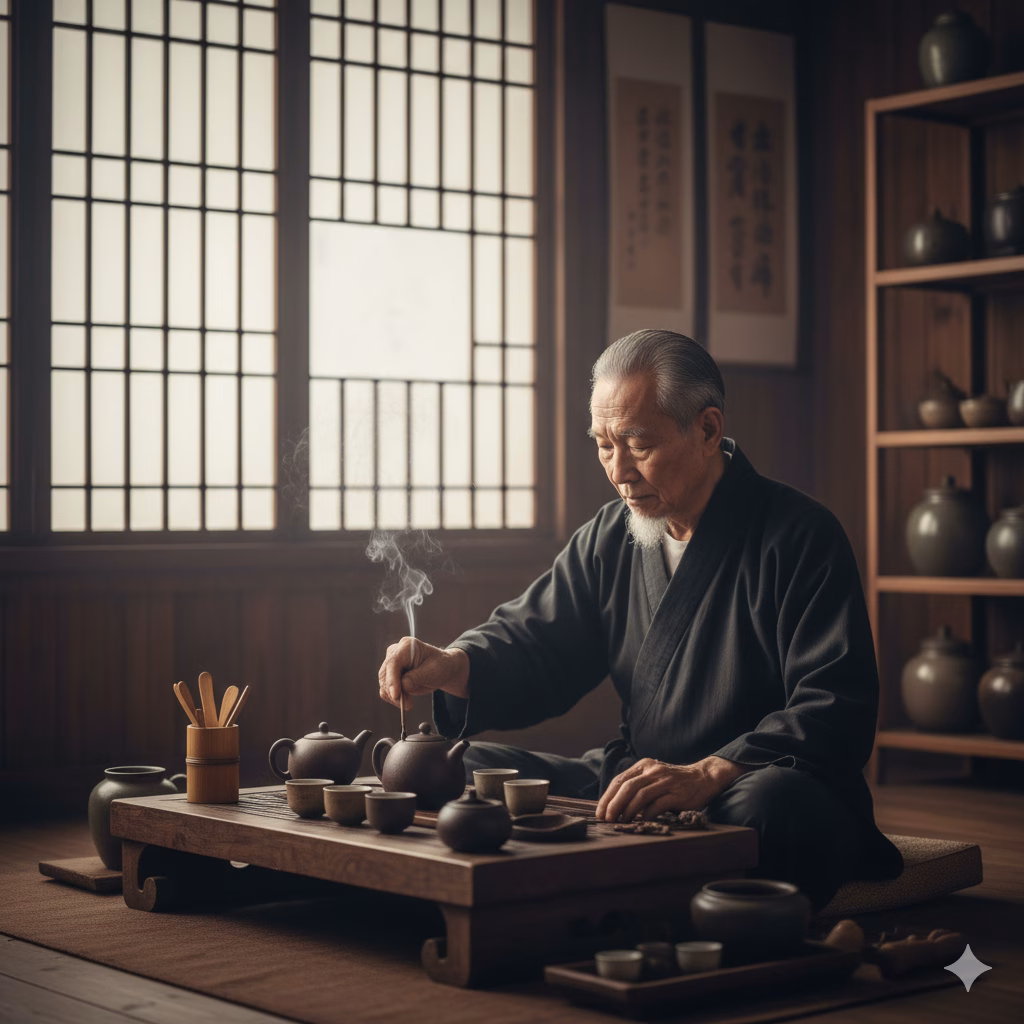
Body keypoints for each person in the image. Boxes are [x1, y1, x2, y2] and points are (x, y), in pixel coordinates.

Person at [377, 329, 903, 910]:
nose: (618, 471)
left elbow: (835, 704)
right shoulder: (611, 535)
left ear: (707, 430)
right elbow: (536, 640)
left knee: (774, 810)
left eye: (638, 444)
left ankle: (618, 906)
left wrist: (712, 772)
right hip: (638, 784)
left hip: (752, 783)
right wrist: (452, 665)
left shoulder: (799, 535)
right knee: (469, 769)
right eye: (603, 445)